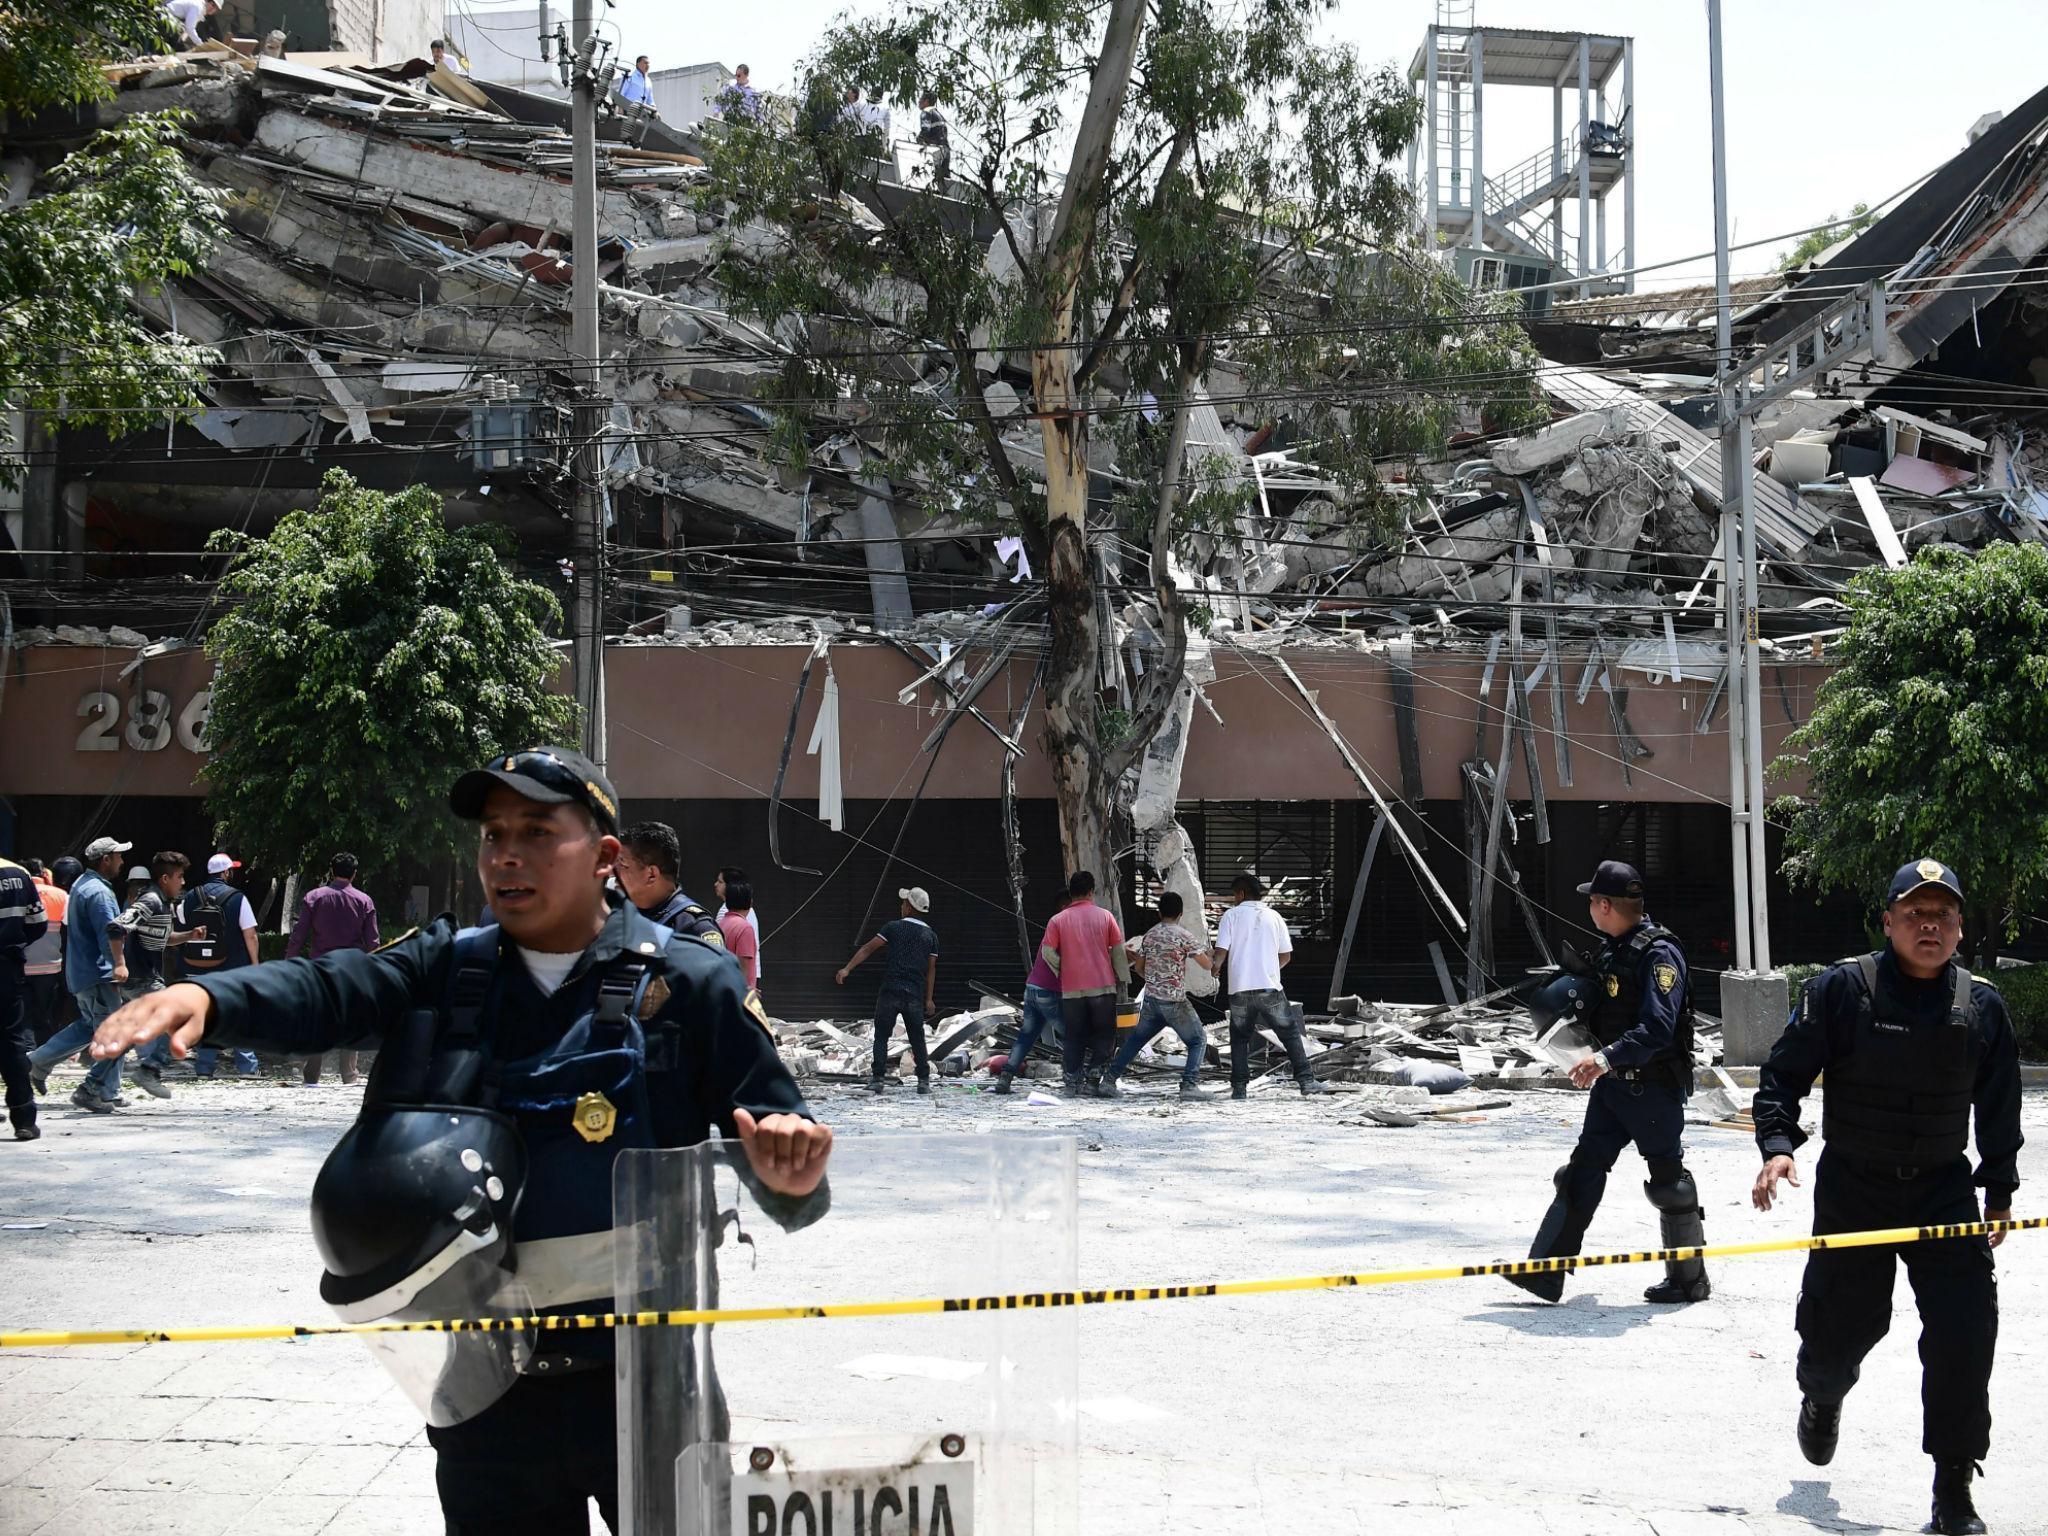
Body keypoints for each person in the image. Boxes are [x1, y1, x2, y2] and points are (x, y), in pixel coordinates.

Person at [90, 745, 832, 1533]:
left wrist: (790, 1180)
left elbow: (785, 1153)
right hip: (486, 1392)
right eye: (492, 834)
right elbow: (330, 985)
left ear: (606, 857)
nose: (507, 855)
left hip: (655, 1390)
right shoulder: (448, 971)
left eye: (539, 832)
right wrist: (209, 994)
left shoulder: (691, 984)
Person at [1752, 859, 2021, 1535]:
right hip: (1855, 1190)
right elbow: (1782, 1077)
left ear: (1959, 927)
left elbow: (2000, 1107)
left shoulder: (1981, 1004)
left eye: (1943, 915)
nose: (1929, 926)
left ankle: (1953, 1492)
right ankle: (1823, 1393)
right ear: (1888, 921)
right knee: (1839, 1333)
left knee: (1965, 1336)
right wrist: (1778, 1147)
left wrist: (1999, 1187)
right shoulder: (1843, 990)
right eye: (1915, 914)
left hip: (1942, 1192)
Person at [1505, 860, 1705, 1305]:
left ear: (1604, 904)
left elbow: (1658, 1028)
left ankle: (1689, 1279)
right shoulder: (1615, 948)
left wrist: (1603, 1057)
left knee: (1669, 1183)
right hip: (1613, 1087)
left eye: (1592, 902)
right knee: (1580, 1171)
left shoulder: (1659, 954)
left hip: (1652, 1086)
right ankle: (1544, 1272)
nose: (1589, 910)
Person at [27, 836, 131, 1111]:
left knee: (88, 1027)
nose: (122, 861)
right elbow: (110, 933)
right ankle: (94, 1090)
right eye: (118, 856)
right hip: (99, 974)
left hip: (82, 972)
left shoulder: (81, 886)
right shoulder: (98, 892)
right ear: (105, 859)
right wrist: (118, 966)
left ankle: (38, 1061)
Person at [1213, 872, 1325, 1100]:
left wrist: (1214, 970)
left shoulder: (1231, 916)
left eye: (1235, 895)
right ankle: (1306, 1081)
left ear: (1241, 894)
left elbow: (1221, 952)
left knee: (1240, 1038)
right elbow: (1286, 955)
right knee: (1290, 1035)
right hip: (1269, 988)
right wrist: (1270, 970)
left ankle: (1240, 1088)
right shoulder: (1275, 917)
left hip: (1240, 989)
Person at [1100, 892, 1215, 1100]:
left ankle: (1108, 1081)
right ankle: (1189, 1085)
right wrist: (1210, 954)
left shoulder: (1150, 935)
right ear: (1180, 913)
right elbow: (1207, 965)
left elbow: (1140, 968)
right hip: (1175, 1002)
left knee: (1135, 1041)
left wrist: (1152, 979)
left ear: (1159, 912)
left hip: (1152, 1001)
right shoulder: (1184, 936)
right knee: (1198, 1040)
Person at [107, 851, 196, 1101]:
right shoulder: (151, 901)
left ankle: (91, 1088)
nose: (183, 882)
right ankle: (149, 1070)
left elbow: (162, 939)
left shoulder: (162, 902)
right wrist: (120, 963)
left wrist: (190, 935)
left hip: (144, 977)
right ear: (166, 878)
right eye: (180, 877)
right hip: (141, 978)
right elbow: (116, 926)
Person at [287, 853, 381, 1085]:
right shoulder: (364, 901)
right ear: (355, 873)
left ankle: (312, 1074)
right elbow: (373, 943)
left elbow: (298, 936)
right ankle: (349, 1075)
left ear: (331, 871)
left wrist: (291, 962)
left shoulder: (314, 897)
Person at [835, 888, 938, 1094]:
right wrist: (929, 999)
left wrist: (847, 968)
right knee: (917, 1037)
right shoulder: (931, 936)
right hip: (914, 994)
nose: (901, 906)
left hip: (891, 991)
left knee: (881, 1036)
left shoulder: (893, 928)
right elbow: (931, 970)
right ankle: (923, 1081)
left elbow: (867, 948)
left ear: (909, 907)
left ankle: (877, 1079)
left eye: (903, 903)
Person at [1039, 870, 1129, 1098]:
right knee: (1105, 1035)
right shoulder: (1106, 917)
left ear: (1071, 893)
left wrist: (1063, 970)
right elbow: (1118, 951)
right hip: (1102, 988)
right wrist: (1122, 978)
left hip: (1071, 991)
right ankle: (1092, 1080)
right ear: (1092, 892)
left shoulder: (1057, 920)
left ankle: (1071, 1084)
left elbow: (1047, 952)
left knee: (1074, 1037)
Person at [177, 854, 261, 1078]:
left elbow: (180, 927)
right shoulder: (238, 898)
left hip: (196, 969)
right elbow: (250, 935)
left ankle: (204, 1067)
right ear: (226, 873)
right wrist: (255, 966)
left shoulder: (190, 897)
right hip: (230, 970)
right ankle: (247, 1068)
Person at [0, 852, 50, 1141]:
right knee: (12, 1043)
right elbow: (37, 924)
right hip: (7, 969)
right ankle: (24, 1120)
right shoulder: (17, 874)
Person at [613, 822, 723, 944]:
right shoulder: (618, 917)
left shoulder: (695, 929)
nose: (612, 873)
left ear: (651, 875)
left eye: (622, 865)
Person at [992, 914, 1062, 1095]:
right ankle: (1076, 1079)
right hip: (1049, 990)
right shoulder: (1069, 932)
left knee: (1026, 1036)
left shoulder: (1055, 927)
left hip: (1032, 987)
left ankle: (1005, 1077)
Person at [22, 860, 68, 1046]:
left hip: (22, 965)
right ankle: (44, 1055)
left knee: (24, 1015)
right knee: (45, 1014)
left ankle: (26, 1054)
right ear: (44, 873)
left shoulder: (19, 894)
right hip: (50, 966)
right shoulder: (61, 895)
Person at [715, 866, 761, 994]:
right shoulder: (744, 927)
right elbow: (743, 963)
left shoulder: (724, 921)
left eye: (720, 881)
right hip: (739, 992)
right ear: (750, 902)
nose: (716, 884)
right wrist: (748, 991)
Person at [915, 91, 950, 183]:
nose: (919, 102)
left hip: (934, 151)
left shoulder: (926, 112)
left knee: (931, 181)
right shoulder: (939, 114)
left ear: (926, 101)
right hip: (946, 151)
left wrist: (919, 140)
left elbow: (925, 130)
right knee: (944, 184)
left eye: (921, 99)